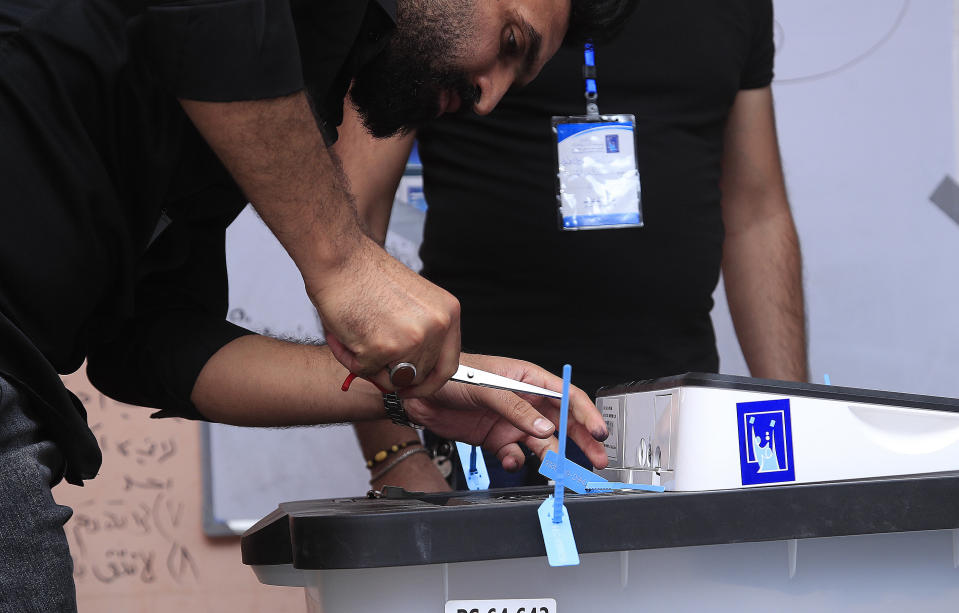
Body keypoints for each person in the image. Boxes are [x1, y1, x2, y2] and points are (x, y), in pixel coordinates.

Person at [0, 0, 636, 609]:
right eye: (509, 43)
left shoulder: (307, 81)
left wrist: (414, 391)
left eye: (514, 81)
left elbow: (148, 345)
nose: (489, 97)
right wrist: (343, 258)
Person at [337, 0, 808, 492]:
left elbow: (758, 214)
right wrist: (394, 453)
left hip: (677, 424)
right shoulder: (459, 17)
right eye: (512, 46)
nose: (488, 98)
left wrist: (799, 430)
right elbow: (352, 227)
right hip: (494, 424)